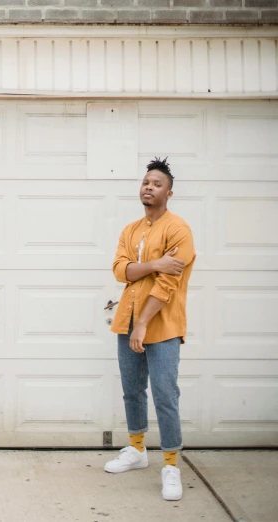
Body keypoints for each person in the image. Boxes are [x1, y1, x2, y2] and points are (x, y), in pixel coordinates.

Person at [105, 157, 195, 501]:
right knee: (132, 390)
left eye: (157, 184)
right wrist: (153, 264)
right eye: (146, 182)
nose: (149, 187)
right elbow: (119, 270)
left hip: (162, 326)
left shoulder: (178, 229)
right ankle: (137, 451)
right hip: (126, 321)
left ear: (169, 193)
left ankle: (171, 465)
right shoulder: (130, 230)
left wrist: (143, 323)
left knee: (164, 394)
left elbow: (167, 283)